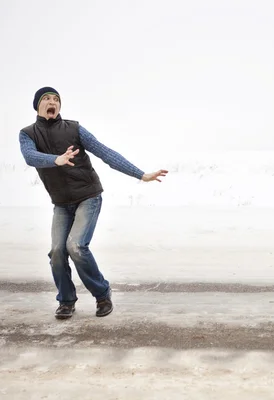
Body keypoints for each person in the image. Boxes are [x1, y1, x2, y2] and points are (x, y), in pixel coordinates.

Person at [19, 86, 168, 320]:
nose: (52, 102)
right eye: (46, 99)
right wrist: (55, 159)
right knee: (57, 252)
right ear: (37, 105)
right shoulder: (28, 134)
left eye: (56, 99)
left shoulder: (74, 129)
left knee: (75, 246)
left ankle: (102, 294)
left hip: (88, 196)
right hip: (61, 203)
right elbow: (29, 157)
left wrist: (141, 174)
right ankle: (66, 301)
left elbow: (105, 153)